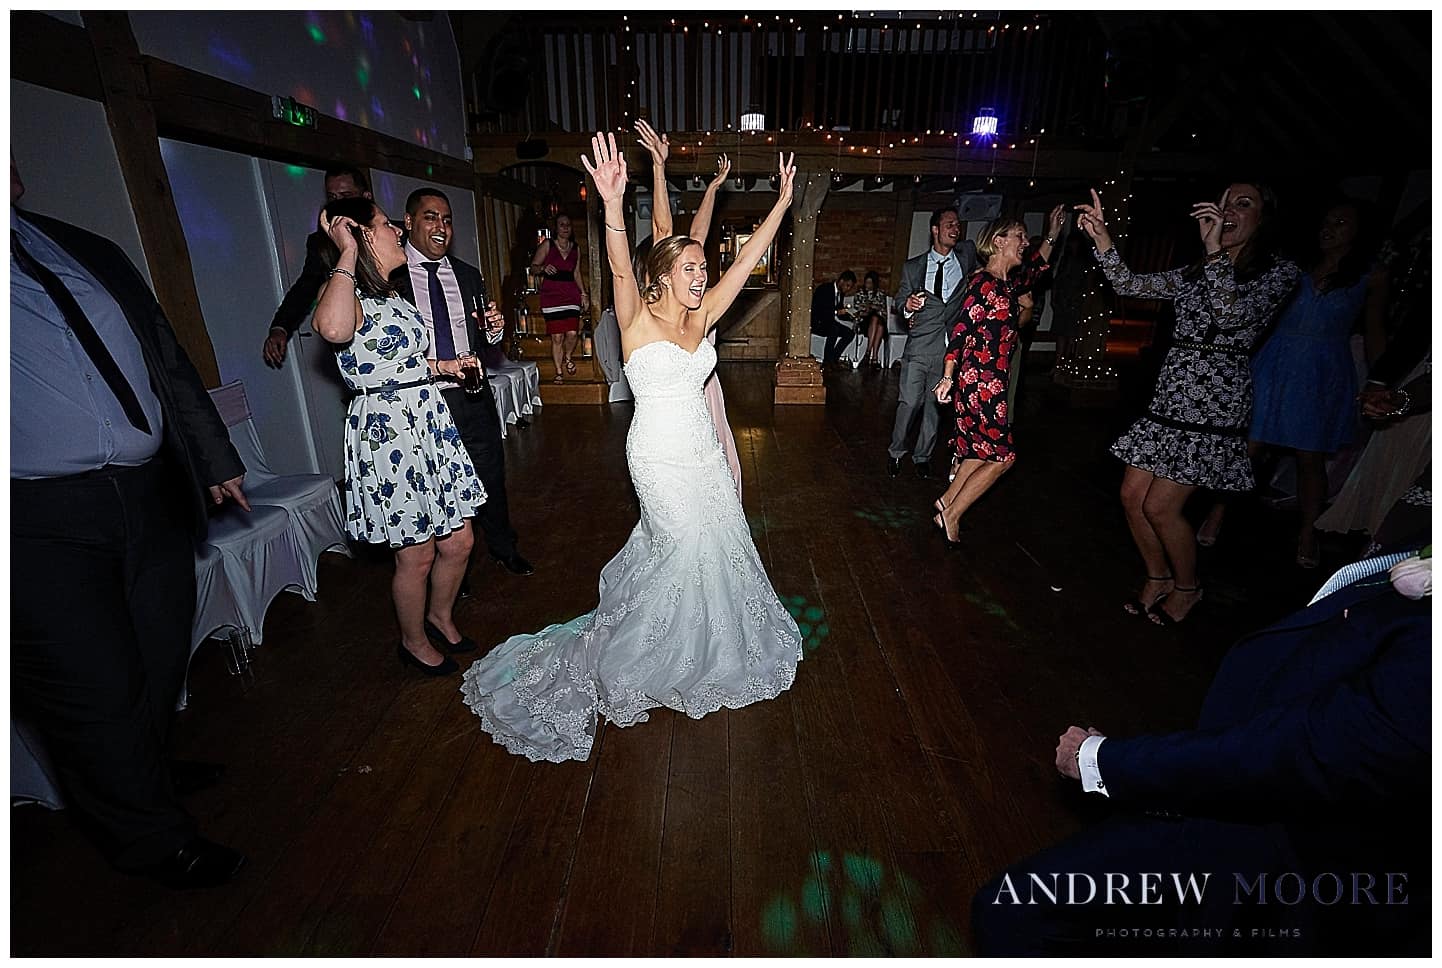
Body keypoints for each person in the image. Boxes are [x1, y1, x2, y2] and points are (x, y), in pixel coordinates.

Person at [459, 133, 803, 762]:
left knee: (718, 538)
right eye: (690, 270)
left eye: (703, 270)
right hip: (657, 457)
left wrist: (781, 205)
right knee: (681, 547)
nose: (702, 278)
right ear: (664, 275)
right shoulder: (635, 317)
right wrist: (615, 208)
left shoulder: (702, 318)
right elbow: (619, 263)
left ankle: (706, 641)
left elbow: (742, 260)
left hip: (701, 452)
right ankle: (645, 649)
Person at [972, 546, 1431, 956]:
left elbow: (1313, 748)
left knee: (1014, 911)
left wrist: (1102, 760)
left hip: (1287, 853)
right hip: (1234, 795)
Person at [11, 159, 250, 887]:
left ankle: (143, 774)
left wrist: (214, 454)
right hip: (37, 515)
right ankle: (151, 839)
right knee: (92, 683)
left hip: (150, 493)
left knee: (154, 653)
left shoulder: (80, 248)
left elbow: (164, 357)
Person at [1075, 183, 1300, 625]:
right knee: (1131, 496)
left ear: (1263, 218)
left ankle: (1188, 587)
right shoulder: (1197, 272)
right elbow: (1129, 283)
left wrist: (1215, 253)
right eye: (1224, 201)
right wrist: (1103, 238)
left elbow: (1231, 318)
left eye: (1243, 203)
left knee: (1161, 506)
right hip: (1170, 398)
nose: (1228, 210)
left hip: (1212, 407)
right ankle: (1157, 576)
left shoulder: (1279, 273)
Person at [312, 196, 487, 676]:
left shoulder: (392, 294)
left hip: (427, 422)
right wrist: (346, 252)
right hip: (391, 437)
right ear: (365, 237)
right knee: (418, 554)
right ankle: (413, 642)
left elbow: (399, 363)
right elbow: (329, 327)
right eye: (387, 226)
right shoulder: (348, 294)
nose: (397, 232)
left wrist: (445, 367)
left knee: (460, 542)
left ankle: (439, 614)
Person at [1198, 199, 1390, 567]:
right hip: (1274, 361)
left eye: (1340, 222)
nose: (1328, 228)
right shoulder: (1293, 267)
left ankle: (1307, 532)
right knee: (1247, 449)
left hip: (1321, 371)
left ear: (1358, 232)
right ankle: (1216, 513)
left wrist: (1380, 379)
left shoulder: (1372, 274)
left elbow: (1375, 330)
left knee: (1309, 456)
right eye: (1326, 220)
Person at [391, 187, 535, 579]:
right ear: (408, 223)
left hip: (472, 396)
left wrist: (495, 329)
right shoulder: (392, 279)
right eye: (430, 217)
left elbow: (485, 341)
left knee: (490, 475)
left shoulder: (468, 276)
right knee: (440, 488)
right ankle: (453, 574)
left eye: (447, 219)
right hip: (424, 402)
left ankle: (504, 548)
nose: (441, 227)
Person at [931, 209, 1065, 542]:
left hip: (990, 382)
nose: (1024, 242)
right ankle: (954, 514)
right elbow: (960, 331)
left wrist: (1052, 234)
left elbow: (1036, 266)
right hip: (980, 384)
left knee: (978, 450)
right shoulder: (984, 283)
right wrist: (947, 376)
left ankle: (946, 501)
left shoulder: (1008, 285)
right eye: (1019, 236)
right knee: (1003, 457)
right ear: (998, 241)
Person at [635, 119, 742, 498]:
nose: (696, 272)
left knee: (715, 454)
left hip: (703, 382)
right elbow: (663, 227)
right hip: (671, 399)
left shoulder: (699, 293)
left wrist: (713, 188)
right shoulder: (654, 302)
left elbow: (698, 234)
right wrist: (658, 168)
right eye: (686, 266)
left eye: (698, 265)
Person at [889, 207, 979, 478]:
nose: (955, 229)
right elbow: (899, 299)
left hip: (948, 350)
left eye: (958, 225)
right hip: (918, 346)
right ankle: (895, 452)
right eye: (949, 224)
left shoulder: (966, 257)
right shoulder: (914, 267)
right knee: (909, 402)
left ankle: (922, 457)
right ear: (935, 230)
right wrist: (908, 304)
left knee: (935, 406)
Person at [262, 165, 371, 367]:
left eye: (346, 196)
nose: (339, 204)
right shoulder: (321, 242)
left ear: (365, 197)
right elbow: (306, 287)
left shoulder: (390, 234)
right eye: (332, 198)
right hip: (354, 340)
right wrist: (280, 327)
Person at [531, 211, 590, 384]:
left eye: (568, 225)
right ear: (556, 228)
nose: (565, 228)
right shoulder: (548, 245)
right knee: (557, 337)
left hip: (570, 293)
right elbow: (533, 267)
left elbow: (577, 273)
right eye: (561, 225)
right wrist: (543, 268)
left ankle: (569, 356)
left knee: (572, 332)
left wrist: (583, 294)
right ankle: (558, 371)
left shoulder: (576, 248)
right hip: (551, 295)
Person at [812, 270, 858, 368]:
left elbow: (840, 312)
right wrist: (836, 312)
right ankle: (827, 361)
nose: (848, 289)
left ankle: (833, 358)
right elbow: (820, 310)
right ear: (841, 281)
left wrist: (852, 317)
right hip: (819, 322)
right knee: (834, 329)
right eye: (847, 285)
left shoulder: (840, 294)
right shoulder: (825, 289)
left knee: (849, 333)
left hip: (830, 322)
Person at [853, 270, 889, 368]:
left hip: (878, 321)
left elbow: (884, 312)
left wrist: (874, 307)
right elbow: (856, 310)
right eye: (866, 282)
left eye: (870, 283)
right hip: (864, 322)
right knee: (875, 320)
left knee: (879, 323)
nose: (867, 285)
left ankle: (870, 355)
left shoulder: (880, 294)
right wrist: (867, 309)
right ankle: (873, 357)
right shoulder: (860, 294)